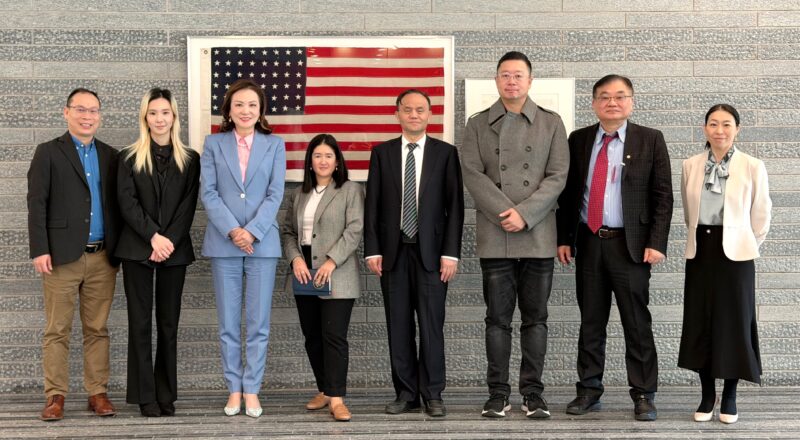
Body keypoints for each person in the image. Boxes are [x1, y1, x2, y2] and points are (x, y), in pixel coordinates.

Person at [556, 74, 673, 421]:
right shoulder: (578, 140)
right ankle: (589, 390)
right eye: (604, 96)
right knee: (591, 322)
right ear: (594, 103)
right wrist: (564, 238)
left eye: (620, 96)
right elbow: (567, 194)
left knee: (637, 323)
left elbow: (662, 196)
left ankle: (644, 393)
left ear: (631, 102)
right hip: (589, 241)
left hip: (631, 246)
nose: (612, 102)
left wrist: (656, 242)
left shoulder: (650, 139)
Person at [461, 51, 569, 419]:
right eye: (505, 75)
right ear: (496, 80)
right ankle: (498, 394)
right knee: (497, 319)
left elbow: (558, 176)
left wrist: (525, 214)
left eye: (518, 75)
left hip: (538, 234)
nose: (511, 81)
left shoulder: (551, 123)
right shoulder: (477, 124)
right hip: (496, 233)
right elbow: (472, 174)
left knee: (536, 319)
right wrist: (504, 213)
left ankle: (533, 394)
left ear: (530, 81)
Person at [364, 89, 464, 418]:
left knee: (432, 326)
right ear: (397, 114)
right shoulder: (382, 153)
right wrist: (372, 249)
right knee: (399, 325)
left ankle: (433, 394)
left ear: (429, 114)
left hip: (433, 256)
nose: (414, 115)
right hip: (392, 254)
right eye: (407, 109)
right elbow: (372, 205)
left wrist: (451, 254)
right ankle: (406, 393)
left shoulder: (445, 154)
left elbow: (455, 207)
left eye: (420, 109)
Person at [27, 88, 121, 421]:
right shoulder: (48, 152)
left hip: (102, 258)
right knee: (57, 329)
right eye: (80, 109)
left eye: (93, 110)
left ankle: (97, 392)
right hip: (60, 257)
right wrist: (40, 248)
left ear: (99, 116)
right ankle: (55, 396)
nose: (87, 116)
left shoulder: (111, 156)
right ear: (66, 112)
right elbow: (36, 202)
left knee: (97, 329)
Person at [678, 104, 771, 424]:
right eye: (714, 124)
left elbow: (761, 214)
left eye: (727, 124)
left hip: (737, 255)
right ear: (705, 128)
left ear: (737, 129)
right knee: (701, 321)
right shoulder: (691, 165)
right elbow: (688, 212)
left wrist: (745, 241)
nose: (720, 130)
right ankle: (707, 395)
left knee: (734, 322)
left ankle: (730, 394)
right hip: (700, 251)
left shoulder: (752, 165)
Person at [200, 79, 286, 418]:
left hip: (262, 244)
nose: (245, 110)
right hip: (224, 243)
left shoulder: (274, 145)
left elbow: (275, 193)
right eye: (239, 104)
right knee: (228, 323)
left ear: (261, 110)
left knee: (258, 323)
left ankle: (252, 389)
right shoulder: (213, 143)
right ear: (228, 110)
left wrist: (251, 231)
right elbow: (209, 192)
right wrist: (234, 230)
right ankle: (233, 389)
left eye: (252, 104)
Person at [115, 88, 200, 417]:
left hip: (174, 252)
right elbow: (127, 203)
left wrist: (167, 242)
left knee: (168, 324)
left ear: (174, 116)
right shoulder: (128, 157)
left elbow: (187, 207)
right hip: (137, 248)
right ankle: (144, 395)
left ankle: (166, 393)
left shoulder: (190, 159)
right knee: (139, 323)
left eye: (165, 112)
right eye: (153, 113)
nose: (159, 118)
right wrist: (153, 237)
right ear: (145, 117)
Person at [280, 134, 364, 422]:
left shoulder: (350, 190)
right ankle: (325, 390)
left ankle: (337, 398)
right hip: (304, 271)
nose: (323, 161)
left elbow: (354, 230)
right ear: (310, 161)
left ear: (337, 161)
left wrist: (331, 261)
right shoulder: (299, 193)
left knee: (334, 336)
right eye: (318, 156)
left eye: (329, 156)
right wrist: (295, 259)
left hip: (337, 271)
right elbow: (288, 232)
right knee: (312, 337)